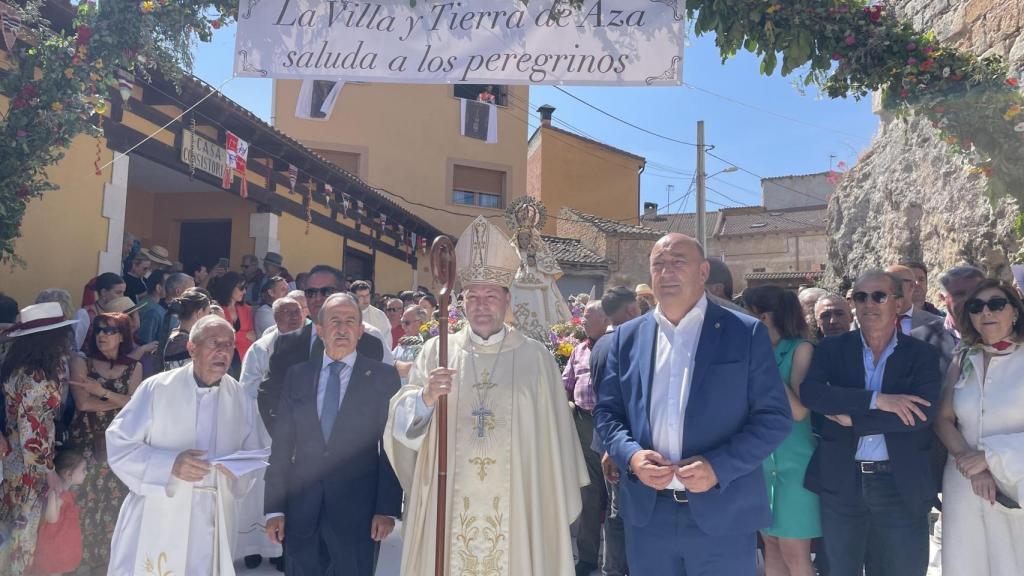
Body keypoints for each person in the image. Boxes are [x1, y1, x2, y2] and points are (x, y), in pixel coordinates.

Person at [385, 215, 587, 575]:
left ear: (507, 300)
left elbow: (555, 446)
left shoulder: (536, 358)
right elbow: (399, 428)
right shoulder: (436, 352)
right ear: (460, 302)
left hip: (519, 506)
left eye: (490, 295)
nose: (480, 304)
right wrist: (425, 400)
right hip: (448, 507)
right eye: (472, 296)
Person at [594, 233, 792, 576]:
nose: (666, 272)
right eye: (659, 264)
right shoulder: (627, 338)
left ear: (703, 272)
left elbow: (774, 419)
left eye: (678, 262)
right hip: (648, 518)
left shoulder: (744, 333)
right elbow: (608, 413)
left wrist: (718, 467)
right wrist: (632, 456)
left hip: (723, 514)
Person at [800, 270, 942, 576]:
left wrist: (853, 418)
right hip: (842, 481)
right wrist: (877, 400)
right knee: (839, 570)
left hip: (899, 484)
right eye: (860, 297)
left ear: (897, 302)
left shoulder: (921, 355)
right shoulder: (832, 348)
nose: (869, 304)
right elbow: (812, 394)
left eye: (878, 296)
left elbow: (921, 415)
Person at [106, 315, 266, 575]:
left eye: (228, 345)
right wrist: (170, 465)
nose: (223, 352)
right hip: (162, 511)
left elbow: (253, 453)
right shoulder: (156, 389)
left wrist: (237, 470)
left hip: (215, 516)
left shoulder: (239, 396)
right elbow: (119, 443)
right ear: (192, 348)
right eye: (215, 343)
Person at [264, 293, 402, 575]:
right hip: (302, 510)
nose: (342, 328)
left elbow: (390, 447)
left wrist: (387, 509)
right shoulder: (297, 376)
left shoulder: (382, 378)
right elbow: (282, 445)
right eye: (334, 321)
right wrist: (274, 508)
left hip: (359, 513)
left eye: (350, 321)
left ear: (361, 330)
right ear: (319, 330)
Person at [933, 279, 1024, 575]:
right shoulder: (964, 357)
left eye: (996, 304)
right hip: (965, 479)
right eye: (977, 306)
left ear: (1015, 312)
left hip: (1016, 478)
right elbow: (942, 418)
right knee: (966, 561)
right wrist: (973, 465)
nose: (987, 312)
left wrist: (989, 457)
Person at [259, 266, 384, 472]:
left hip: (352, 468)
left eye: (326, 291)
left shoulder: (369, 345)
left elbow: (378, 407)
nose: (318, 298)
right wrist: (287, 444)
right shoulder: (287, 344)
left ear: (342, 293)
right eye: (311, 292)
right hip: (299, 468)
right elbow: (268, 396)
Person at [743, 285, 820, 576]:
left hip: (796, 464)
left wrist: (764, 364)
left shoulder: (801, 349)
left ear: (762, 318)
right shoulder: (752, 353)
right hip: (762, 463)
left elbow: (799, 411)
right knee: (771, 547)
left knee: (795, 553)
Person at [0, 303, 78, 575]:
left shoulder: (18, 365)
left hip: (14, 460)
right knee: (23, 535)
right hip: (29, 467)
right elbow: (32, 430)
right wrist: (48, 472)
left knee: (12, 529)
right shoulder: (35, 377)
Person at [67, 312, 141, 575]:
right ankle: (76, 564)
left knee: (114, 506)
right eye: (99, 330)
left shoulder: (135, 366)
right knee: (82, 505)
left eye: (109, 331)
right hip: (85, 444)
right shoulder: (81, 362)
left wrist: (101, 392)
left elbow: (137, 405)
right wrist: (120, 399)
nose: (102, 335)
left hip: (118, 449)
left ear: (122, 336)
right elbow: (83, 404)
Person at [235, 297, 303, 570]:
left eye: (296, 311)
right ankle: (253, 546)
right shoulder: (261, 348)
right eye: (285, 313)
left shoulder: (312, 342)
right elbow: (247, 386)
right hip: (263, 427)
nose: (293, 316)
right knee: (260, 488)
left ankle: (282, 549)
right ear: (274, 319)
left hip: (298, 427)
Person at [593, 286, 642, 576]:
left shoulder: (599, 344)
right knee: (628, 513)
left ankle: (611, 568)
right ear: (632, 310)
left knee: (615, 511)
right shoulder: (629, 342)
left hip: (607, 439)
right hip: (626, 443)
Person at [563, 300, 610, 576]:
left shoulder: (616, 347)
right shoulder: (578, 350)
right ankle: (589, 557)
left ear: (605, 319)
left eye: (588, 317)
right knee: (589, 492)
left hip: (610, 424)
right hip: (583, 423)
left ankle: (618, 562)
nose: (583, 322)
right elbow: (566, 385)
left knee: (617, 496)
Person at [912, 265, 986, 376]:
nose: (969, 299)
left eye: (975, 293)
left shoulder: (1001, 334)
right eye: (960, 294)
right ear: (942, 297)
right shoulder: (919, 340)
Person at [25, 447, 87, 576]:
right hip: (53, 546)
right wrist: (56, 502)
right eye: (83, 470)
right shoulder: (56, 492)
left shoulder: (66, 492)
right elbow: (51, 518)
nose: (86, 473)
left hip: (60, 545)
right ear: (68, 474)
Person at [210, 271, 256, 377]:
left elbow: (253, 337)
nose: (244, 291)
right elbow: (218, 338)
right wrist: (244, 335)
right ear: (229, 287)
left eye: (245, 288)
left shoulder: (247, 309)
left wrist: (234, 338)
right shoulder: (216, 309)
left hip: (244, 361)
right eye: (241, 288)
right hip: (222, 360)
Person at [161, 290, 212, 372]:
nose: (210, 318)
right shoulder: (183, 342)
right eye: (209, 313)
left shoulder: (176, 338)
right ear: (199, 313)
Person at [885, 264, 942, 333]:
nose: (887, 287)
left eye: (895, 282)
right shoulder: (871, 321)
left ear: (911, 286)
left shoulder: (936, 324)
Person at [393, 305, 428, 385]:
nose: (403, 326)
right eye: (402, 322)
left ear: (420, 322)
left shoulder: (428, 343)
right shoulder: (403, 342)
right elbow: (388, 362)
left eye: (407, 323)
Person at [350, 280, 392, 346]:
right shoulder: (346, 313)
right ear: (353, 297)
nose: (365, 299)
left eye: (367, 295)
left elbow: (387, 339)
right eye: (361, 296)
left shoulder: (380, 315)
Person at [135, 269, 167, 346]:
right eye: (169, 284)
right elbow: (145, 342)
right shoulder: (153, 311)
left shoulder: (143, 303)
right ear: (158, 288)